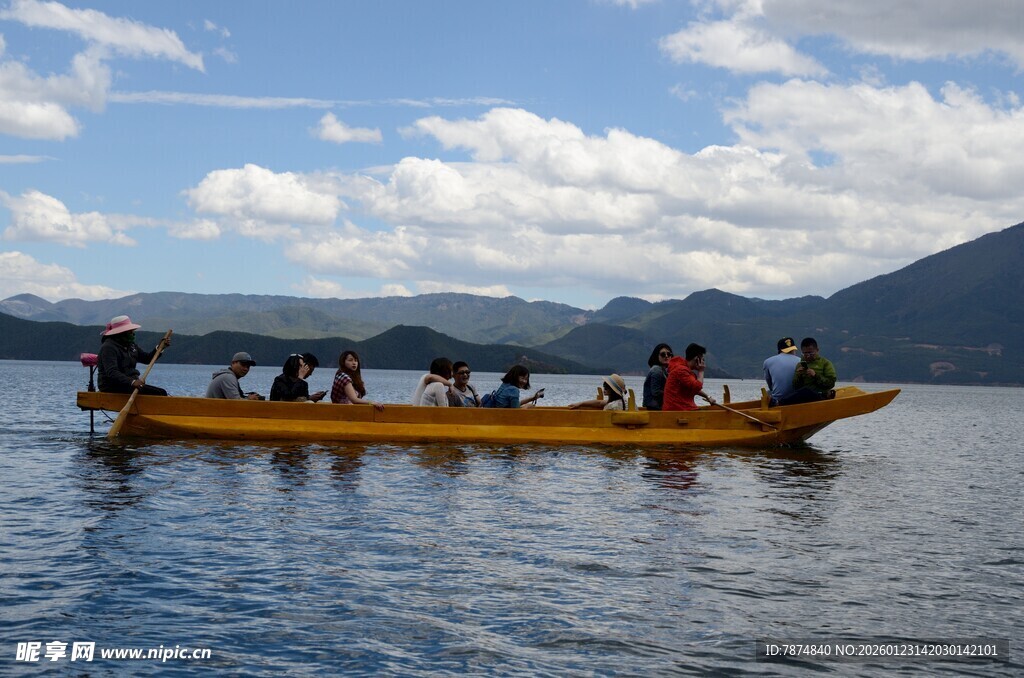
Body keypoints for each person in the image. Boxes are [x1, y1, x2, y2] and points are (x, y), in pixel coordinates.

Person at [97, 315, 169, 396]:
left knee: (162, 392)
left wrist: (159, 348)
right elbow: (112, 372)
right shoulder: (108, 347)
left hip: (129, 384)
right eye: (130, 331)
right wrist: (132, 382)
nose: (133, 333)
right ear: (121, 333)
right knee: (159, 393)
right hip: (111, 385)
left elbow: (147, 359)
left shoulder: (131, 345)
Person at [663, 343, 715, 411]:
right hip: (678, 410)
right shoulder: (681, 370)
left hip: (681, 408)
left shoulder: (683, 369)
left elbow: (692, 387)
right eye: (702, 359)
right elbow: (696, 386)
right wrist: (701, 371)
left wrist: (707, 397)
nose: (703, 362)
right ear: (696, 358)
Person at [790, 337, 837, 402]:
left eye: (810, 353)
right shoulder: (800, 365)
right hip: (804, 397)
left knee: (806, 391)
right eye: (805, 353)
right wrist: (799, 375)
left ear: (817, 350)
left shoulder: (825, 363)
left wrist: (815, 376)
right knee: (802, 392)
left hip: (821, 395)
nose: (808, 356)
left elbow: (831, 383)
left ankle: (778, 402)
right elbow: (795, 387)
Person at [763, 337, 802, 406]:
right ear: (793, 350)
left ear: (779, 350)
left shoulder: (768, 361)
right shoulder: (801, 361)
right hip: (797, 399)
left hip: (778, 399)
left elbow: (770, 385)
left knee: (768, 392)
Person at [642, 343, 673, 410]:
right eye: (663, 354)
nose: (666, 356)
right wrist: (674, 394)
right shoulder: (656, 370)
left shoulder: (663, 371)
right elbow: (656, 392)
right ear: (657, 356)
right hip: (654, 410)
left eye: (669, 354)